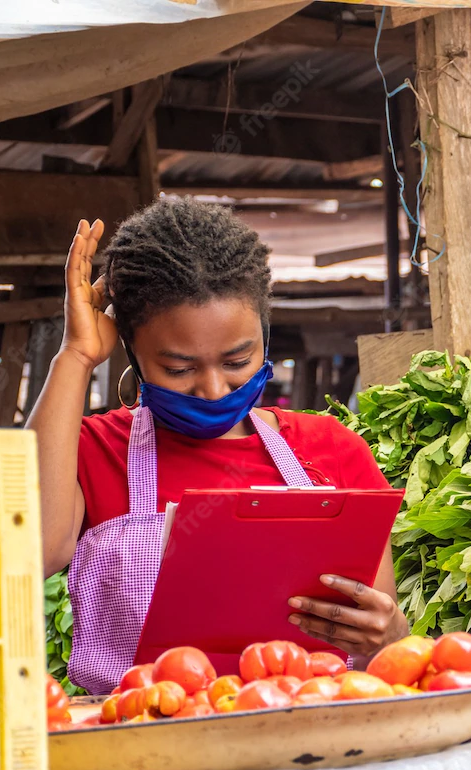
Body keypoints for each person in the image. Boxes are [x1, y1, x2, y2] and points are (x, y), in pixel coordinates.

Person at [28, 198, 409, 694]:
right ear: (132, 352)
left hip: (318, 741)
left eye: (238, 359)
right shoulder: (95, 450)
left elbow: (378, 640)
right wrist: (76, 355)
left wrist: (393, 635)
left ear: (265, 336)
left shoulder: (332, 450)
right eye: (179, 369)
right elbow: (33, 550)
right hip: (145, 743)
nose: (213, 388)